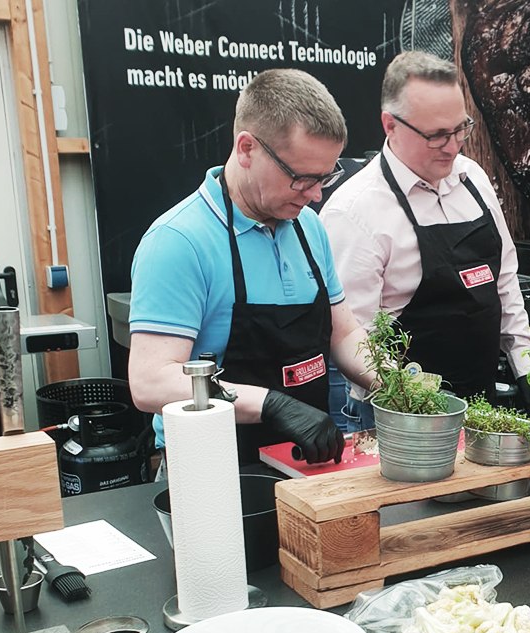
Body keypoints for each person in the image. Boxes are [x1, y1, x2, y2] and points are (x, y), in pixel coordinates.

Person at [128, 69, 374, 469]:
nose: (315, 195)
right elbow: (150, 380)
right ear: (246, 149)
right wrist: (270, 404)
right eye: (302, 178)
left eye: (326, 177)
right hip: (213, 471)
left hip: (307, 462)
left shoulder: (308, 227)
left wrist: (398, 384)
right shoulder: (178, 242)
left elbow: (344, 332)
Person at [320, 51, 530, 430]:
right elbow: (354, 340)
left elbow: (504, 282)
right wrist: (418, 400)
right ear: (390, 125)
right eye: (436, 136)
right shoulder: (355, 212)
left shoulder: (474, 179)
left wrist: (526, 370)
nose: (453, 147)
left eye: (460, 129)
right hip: (396, 418)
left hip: (482, 401)